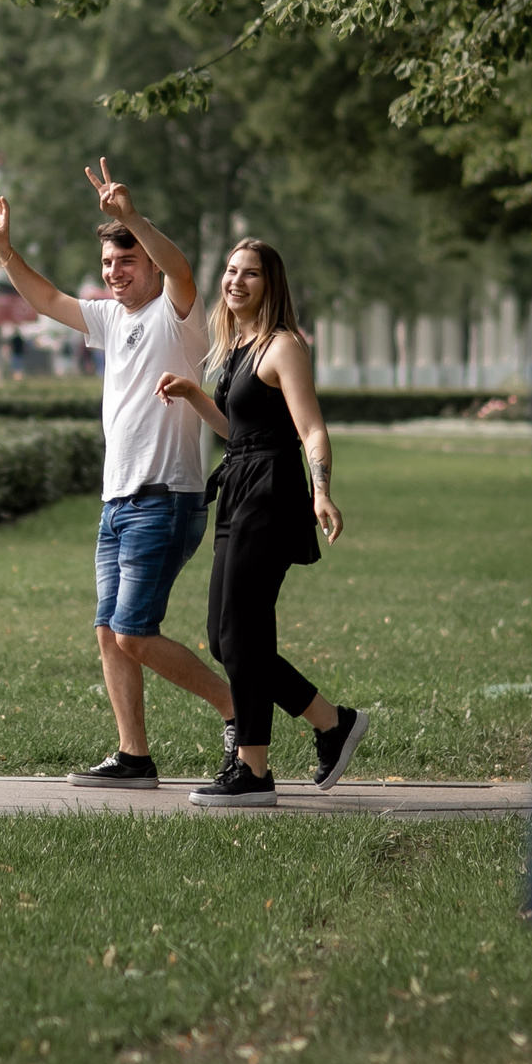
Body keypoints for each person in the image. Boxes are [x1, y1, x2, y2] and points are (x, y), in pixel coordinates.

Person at [0, 160, 236, 787]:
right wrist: (7, 253)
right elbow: (44, 298)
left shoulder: (175, 316)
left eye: (125, 262)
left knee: (133, 633)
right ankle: (133, 756)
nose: (114, 273)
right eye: (107, 265)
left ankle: (240, 710)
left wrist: (131, 218)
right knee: (108, 631)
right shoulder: (110, 318)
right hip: (118, 503)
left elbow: (179, 269)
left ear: (146, 264)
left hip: (165, 499)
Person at [156, 239, 366, 806]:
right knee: (227, 640)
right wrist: (196, 395)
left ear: (270, 285)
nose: (236, 282)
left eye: (250, 274)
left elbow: (311, 428)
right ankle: (331, 722)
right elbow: (240, 431)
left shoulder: (283, 346)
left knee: (244, 631)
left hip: (272, 492)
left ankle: (254, 769)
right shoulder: (241, 346)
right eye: (230, 271)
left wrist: (322, 490)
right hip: (240, 484)